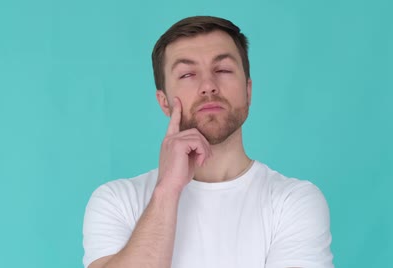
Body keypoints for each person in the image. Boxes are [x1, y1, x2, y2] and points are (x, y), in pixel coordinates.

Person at [82, 16, 334, 268]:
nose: (208, 86)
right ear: (164, 102)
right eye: (188, 74)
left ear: (248, 91)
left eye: (223, 70)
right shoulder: (117, 201)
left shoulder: (294, 201)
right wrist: (166, 192)